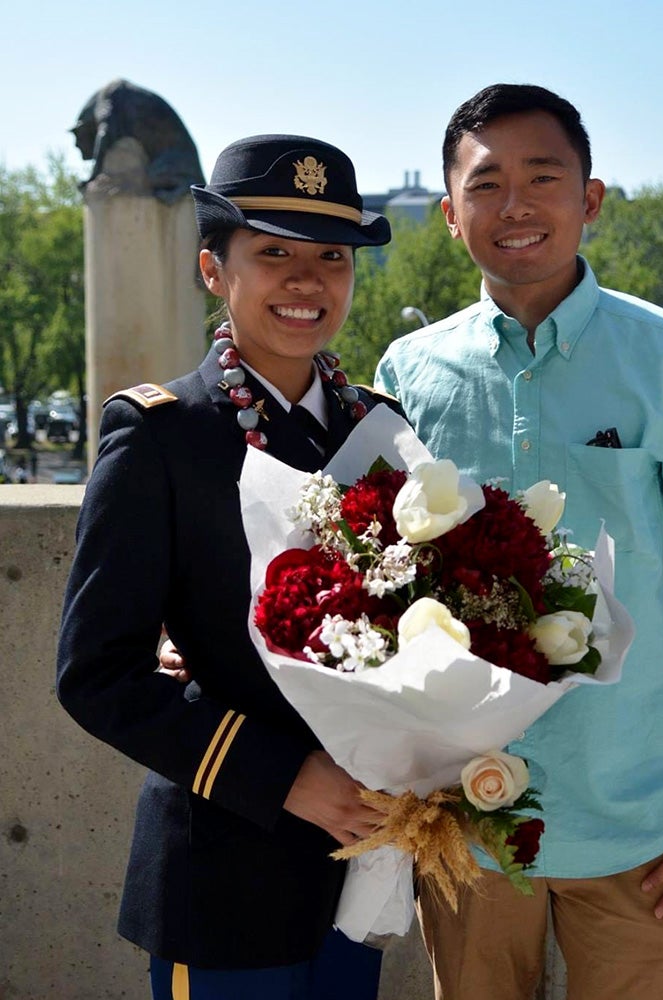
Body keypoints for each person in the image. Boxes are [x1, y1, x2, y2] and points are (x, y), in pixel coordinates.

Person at [374, 84, 663, 1000]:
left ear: (590, 199)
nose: (514, 205)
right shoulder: (409, 370)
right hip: (464, 822)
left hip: (642, 825)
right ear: (448, 214)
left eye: (543, 176)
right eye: (485, 184)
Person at [57, 134, 399, 1000]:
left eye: (331, 256)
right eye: (273, 252)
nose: (307, 281)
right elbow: (97, 675)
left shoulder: (382, 434)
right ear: (214, 269)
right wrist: (283, 777)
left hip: (363, 867)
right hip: (222, 874)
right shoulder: (162, 434)